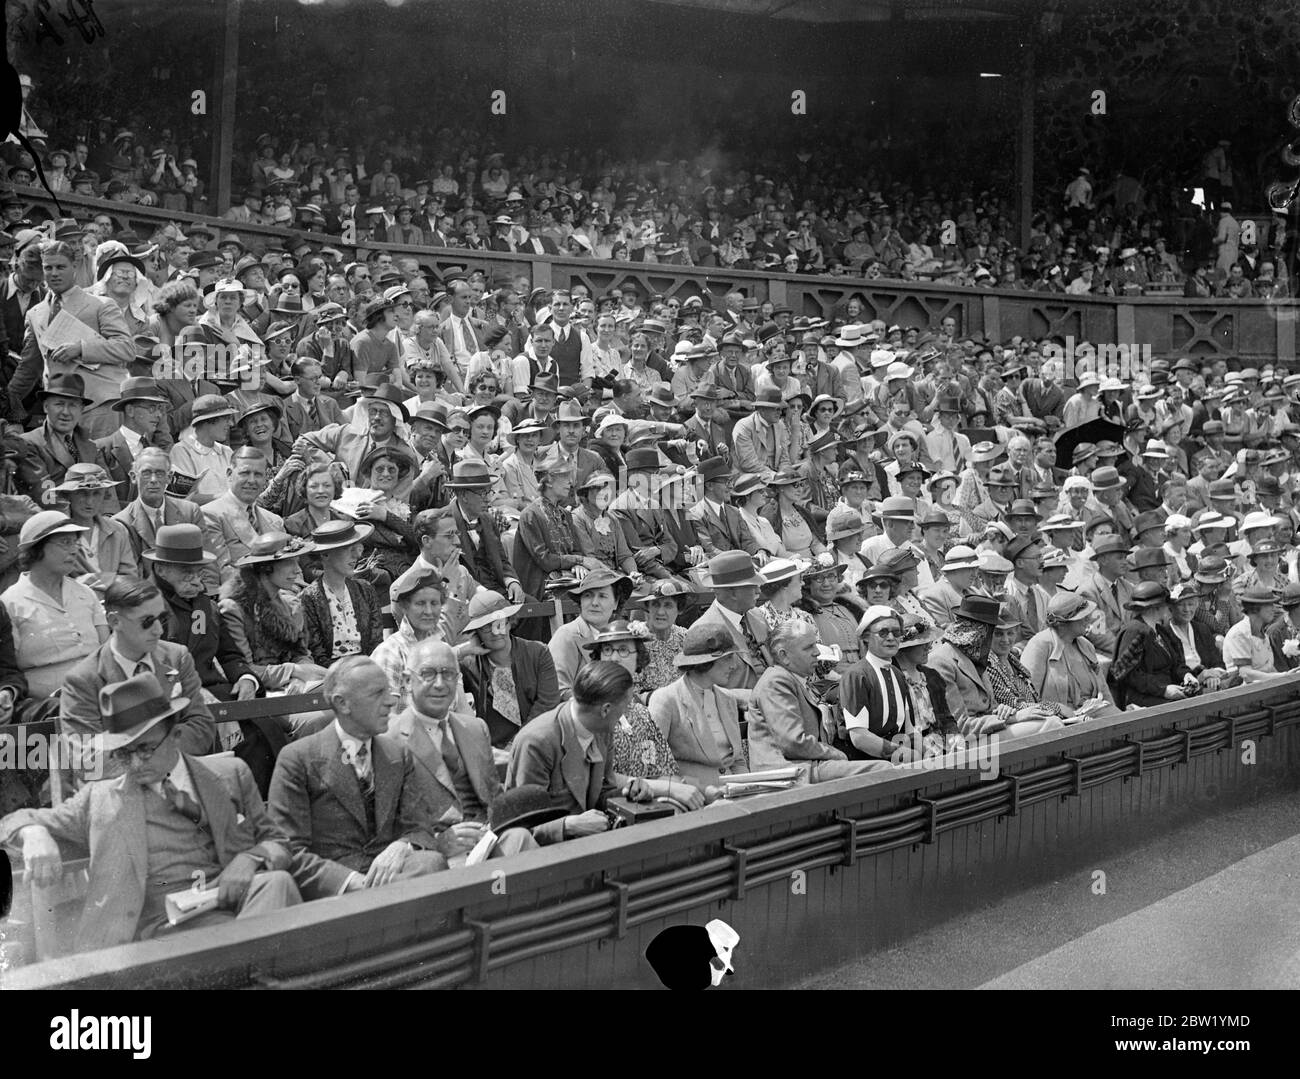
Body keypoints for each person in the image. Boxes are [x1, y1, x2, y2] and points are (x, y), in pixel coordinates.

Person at [0, 673, 300, 954]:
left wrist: (250, 858)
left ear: (176, 734)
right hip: (151, 941)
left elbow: (278, 842)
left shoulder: (230, 775)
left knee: (276, 884)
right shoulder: (101, 797)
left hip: (232, 911)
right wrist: (34, 832)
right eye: (122, 753)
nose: (135, 763)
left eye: (144, 748)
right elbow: (10, 822)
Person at [268, 655, 453, 896]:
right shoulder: (297, 759)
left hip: (393, 874)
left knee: (431, 863)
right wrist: (351, 882)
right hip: (335, 888)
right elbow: (288, 849)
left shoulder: (398, 755)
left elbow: (420, 827)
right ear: (342, 703)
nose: (390, 702)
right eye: (377, 694)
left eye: (389, 691)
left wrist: (402, 846)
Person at [504, 660, 655, 844]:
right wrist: (569, 825)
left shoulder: (602, 730)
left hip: (587, 844)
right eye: (625, 706)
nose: (625, 713)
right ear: (606, 709)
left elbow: (603, 790)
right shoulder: (537, 742)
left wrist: (629, 791)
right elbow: (522, 826)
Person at [11, 240, 134, 440]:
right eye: (48, 268)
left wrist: (81, 349)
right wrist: (7, 402)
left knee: (99, 469)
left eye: (61, 267)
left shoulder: (100, 305)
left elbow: (127, 348)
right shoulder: (36, 313)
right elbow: (28, 368)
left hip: (100, 405)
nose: (54, 273)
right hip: (59, 411)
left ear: (74, 267)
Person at [747, 620, 891, 782]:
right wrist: (836, 754)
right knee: (882, 769)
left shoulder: (796, 679)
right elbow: (793, 743)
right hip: (787, 773)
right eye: (808, 647)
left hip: (806, 767)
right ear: (783, 656)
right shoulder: (776, 682)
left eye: (815, 645)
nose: (817, 652)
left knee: (886, 766)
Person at [582, 621, 705, 808]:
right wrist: (667, 788)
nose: (614, 658)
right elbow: (598, 777)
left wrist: (689, 790)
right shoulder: (591, 712)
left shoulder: (641, 713)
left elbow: (663, 769)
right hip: (611, 807)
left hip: (653, 804)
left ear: (638, 658)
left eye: (623, 650)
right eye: (607, 650)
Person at [1, 510, 109, 701]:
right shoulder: (12, 603)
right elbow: (8, 668)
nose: (74, 550)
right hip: (47, 707)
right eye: (65, 543)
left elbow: (107, 651)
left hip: (99, 696)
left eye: (75, 542)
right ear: (37, 548)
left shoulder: (85, 594)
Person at [840, 608, 960, 763]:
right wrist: (907, 755)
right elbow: (859, 737)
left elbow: (911, 730)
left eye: (896, 632)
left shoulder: (896, 674)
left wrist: (925, 757)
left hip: (903, 758)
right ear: (866, 637)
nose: (891, 638)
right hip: (869, 762)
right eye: (883, 632)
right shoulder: (856, 675)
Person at [220, 531, 326, 693]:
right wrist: (293, 671)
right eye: (289, 563)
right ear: (266, 567)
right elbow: (243, 669)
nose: (298, 570)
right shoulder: (235, 609)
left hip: (295, 687)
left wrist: (303, 673)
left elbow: (301, 653)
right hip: (259, 693)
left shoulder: (291, 604)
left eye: (297, 562)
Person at [457, 590, 561, 752]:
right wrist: (461, 651)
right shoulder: (468, 665)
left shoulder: (538, 653)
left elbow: (547, 704)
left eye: (499, 623)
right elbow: (434, 667)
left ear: (509, 622)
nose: (495, 631)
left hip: (537, 744)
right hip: (493, 753)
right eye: (485, 627)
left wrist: (517, 744)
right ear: (476, 632)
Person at [648, 623, 749, 789]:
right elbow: (654, 767)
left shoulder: (727, 699)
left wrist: (748, 789)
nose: (734, 665)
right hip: (693, 797)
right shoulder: (666, 700)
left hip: (735, 793)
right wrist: (701, 790)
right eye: (727, 658)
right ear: (705, 663)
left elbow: (737, 761)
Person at [300, 519, 384, 668]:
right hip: (331, 674)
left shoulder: (365, 589)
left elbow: (376, 643)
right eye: (347, 549)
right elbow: (317, 654)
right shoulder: (309, 598)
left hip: (368, 669)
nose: (356, 556)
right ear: (325, 555)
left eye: (355, 548)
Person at [1020, 591, 1114, 714]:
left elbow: (1104, 690)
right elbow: (1027, 697)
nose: (1088, 619)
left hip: (1095, 715)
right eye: (1082, 616)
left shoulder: (1086, 646)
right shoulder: (1039, 645)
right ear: (1064, 622)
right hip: (1058, 722)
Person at [51, 463, 138, 595]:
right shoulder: (56, 533)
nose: (90, 502)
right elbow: (53, 580)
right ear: (68, 495)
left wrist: (90, 580)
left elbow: (130, 578)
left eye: (96, 493)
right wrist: (109, 580)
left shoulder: (117, 531)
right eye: (82, 493)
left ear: (105, 495)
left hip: (114, 606)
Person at [1109, 582, 1198, 708]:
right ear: (1155, 607)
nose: (1169, 607)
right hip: (1140, 700)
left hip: (1164, 694)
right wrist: (1163, 690)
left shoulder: (1160, 630)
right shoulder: (1134, 631)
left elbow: (1176, 663)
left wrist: (1186, 675)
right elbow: (1126, 674)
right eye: (1166, 604)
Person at [549, 568, 634, 696]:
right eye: (588, 596)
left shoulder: (618, 636)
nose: (594, 603)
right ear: (580, 601)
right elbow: (557, 691)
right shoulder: (567, 635)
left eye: (602, 596)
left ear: (616, 603)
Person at [572, 471, 639, 579]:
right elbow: (590, 560)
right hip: (593, 576)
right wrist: (618, 578)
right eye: (598, 489)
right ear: (586, 494)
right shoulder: (578, 518)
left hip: (617, 575)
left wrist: (633, 573)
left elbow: (624, 555)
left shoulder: (612, 519)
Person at [629, 578, 691, 693]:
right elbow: (631, 694)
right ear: (648, 607)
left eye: (668, 605)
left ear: (679, 609)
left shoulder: (686, 638)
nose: (661, 612)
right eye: (656, 604)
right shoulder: (635, 640)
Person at [1222, 583, 1284, 682]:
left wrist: (1286, 677)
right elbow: (1246, 673)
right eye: (1268, 605)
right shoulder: (1239, 633)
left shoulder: (1263, 635)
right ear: (1255, 608)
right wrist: (1281, 677)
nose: (1273, 609)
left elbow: (1269, 669)